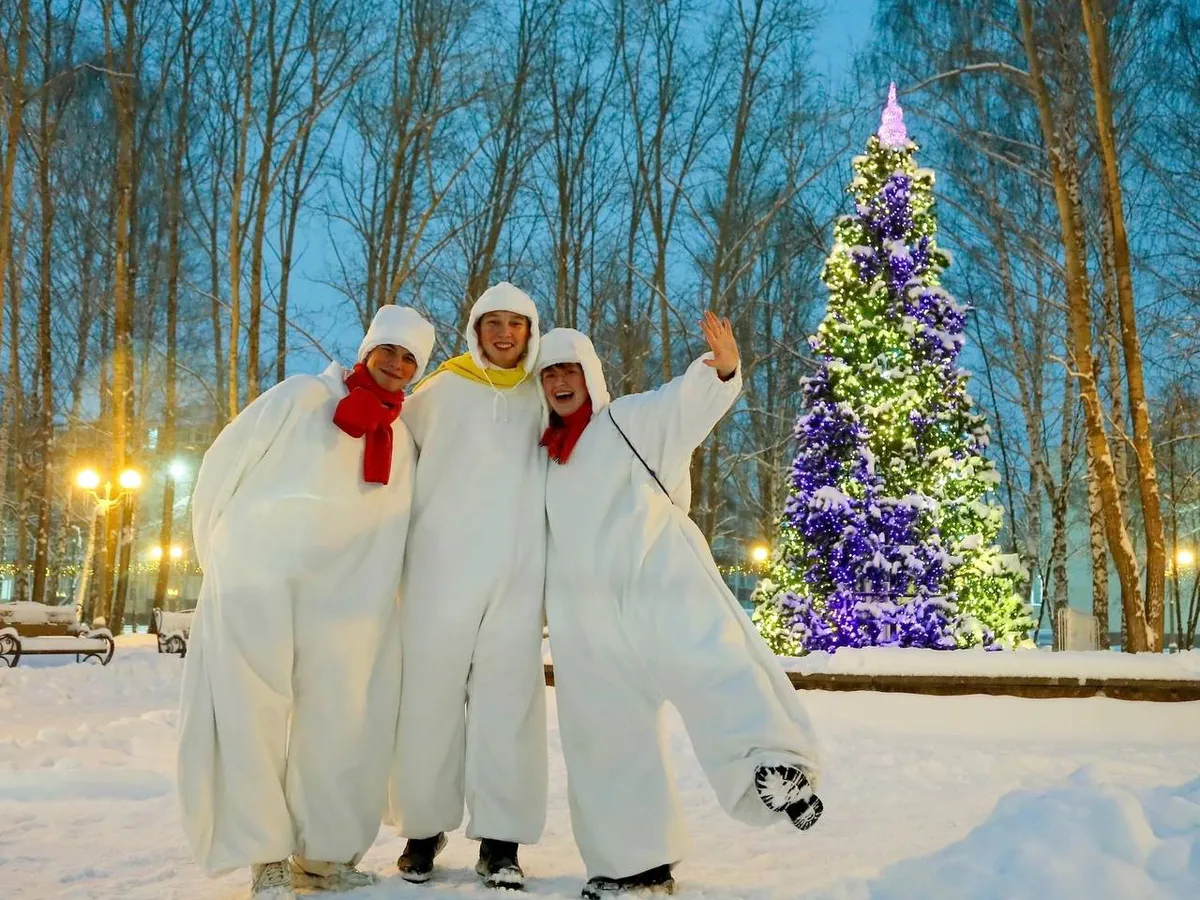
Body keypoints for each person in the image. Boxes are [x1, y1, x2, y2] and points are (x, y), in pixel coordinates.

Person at [535, 314, 824, 899]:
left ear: (590, 374)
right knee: (604, 738)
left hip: (656, 576)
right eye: (550, 372)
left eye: (571, 368)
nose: (561, 380)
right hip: (587, 619)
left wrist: (720, 367)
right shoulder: (542, 456)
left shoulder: (627, 420)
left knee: (712, 667)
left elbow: (683, 405)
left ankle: (774, 770)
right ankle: (634, 866)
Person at [177, 306, 435, 899]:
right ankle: (263, 854)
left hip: (348, 600)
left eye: (408, 358)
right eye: (388, 351)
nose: (396, 364)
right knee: (249, 711)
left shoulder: (403, 438)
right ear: (368, 350)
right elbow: (223, 464)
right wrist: (217, 555)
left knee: (343, 720)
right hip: (259, 577)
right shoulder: (299, 397)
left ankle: (323, 854)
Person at [387, 282, 548, 889]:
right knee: (428, 703)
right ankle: (422, 832)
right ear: (475, 330)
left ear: (531, 332)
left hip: (516, 573)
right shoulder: (438, 391)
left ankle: (501, 841)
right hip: (438, 572)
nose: (504, 334)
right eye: (492, 323)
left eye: (516, 323)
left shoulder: (545, 393)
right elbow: (388, 458)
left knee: (508, 707)